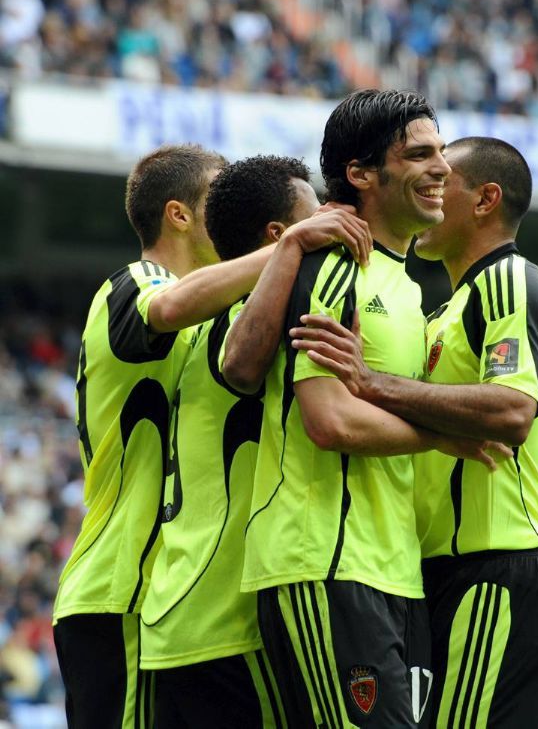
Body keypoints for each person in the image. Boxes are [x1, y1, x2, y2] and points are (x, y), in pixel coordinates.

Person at [52, 144, 368, 729]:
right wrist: (290, 246)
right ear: (178, 215)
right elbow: (168, 306)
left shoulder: (224, 317)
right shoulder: (135, 282)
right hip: (121, 588)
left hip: (158, 596)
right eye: (215, 197)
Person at [222, 91, 510, 728]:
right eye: (419, 155)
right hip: (325, 561)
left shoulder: (406, 288)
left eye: (442, 151)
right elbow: (330, 421)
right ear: (360, 175)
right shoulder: (333, 266)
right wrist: (441, 436)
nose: (442, 169)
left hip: (392, 571)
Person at [289, 136, 538, 727]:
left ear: (486, 200)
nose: (434, 192)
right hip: (443, 576)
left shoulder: (511, 279)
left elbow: (512, 410)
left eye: (449, 183)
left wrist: (370, 382)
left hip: (493, 572)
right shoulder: (441, 310)